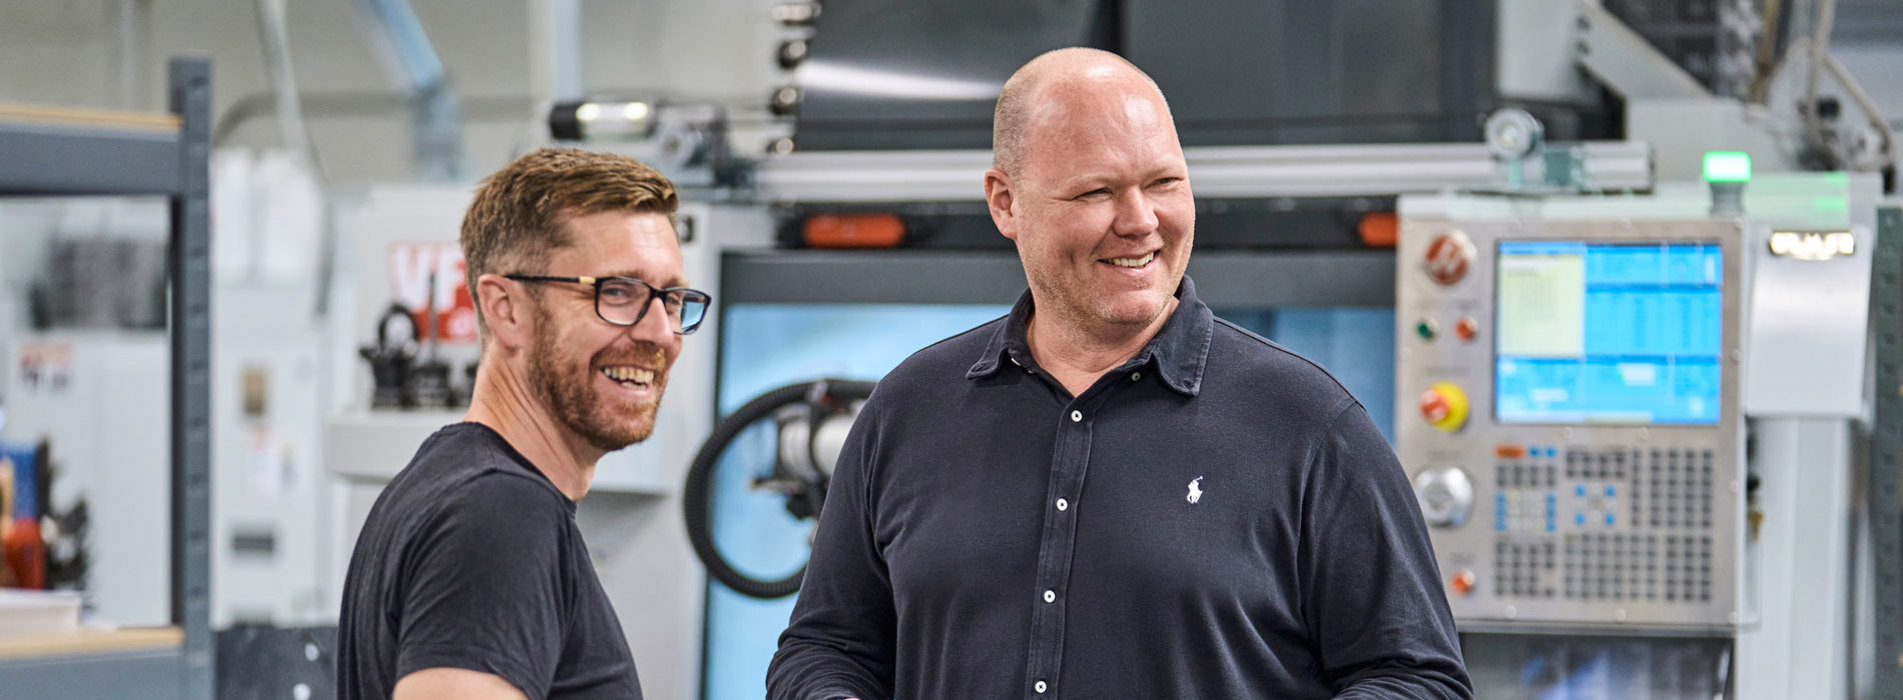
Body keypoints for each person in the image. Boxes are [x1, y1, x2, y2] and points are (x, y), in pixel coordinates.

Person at [767, 48, 1471, 699]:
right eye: (1096, 192)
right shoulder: (910, 407)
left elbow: (1415, 677)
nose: (1140, 222)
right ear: (1004, 202)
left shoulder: (1307, 422)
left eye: (1163, 182)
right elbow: (826, 646)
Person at [339, 148, 712, 700]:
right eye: (616, 292)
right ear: (506, 308)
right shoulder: (499, 514)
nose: (660, 333)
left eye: (672, 299)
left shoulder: (456, 488)